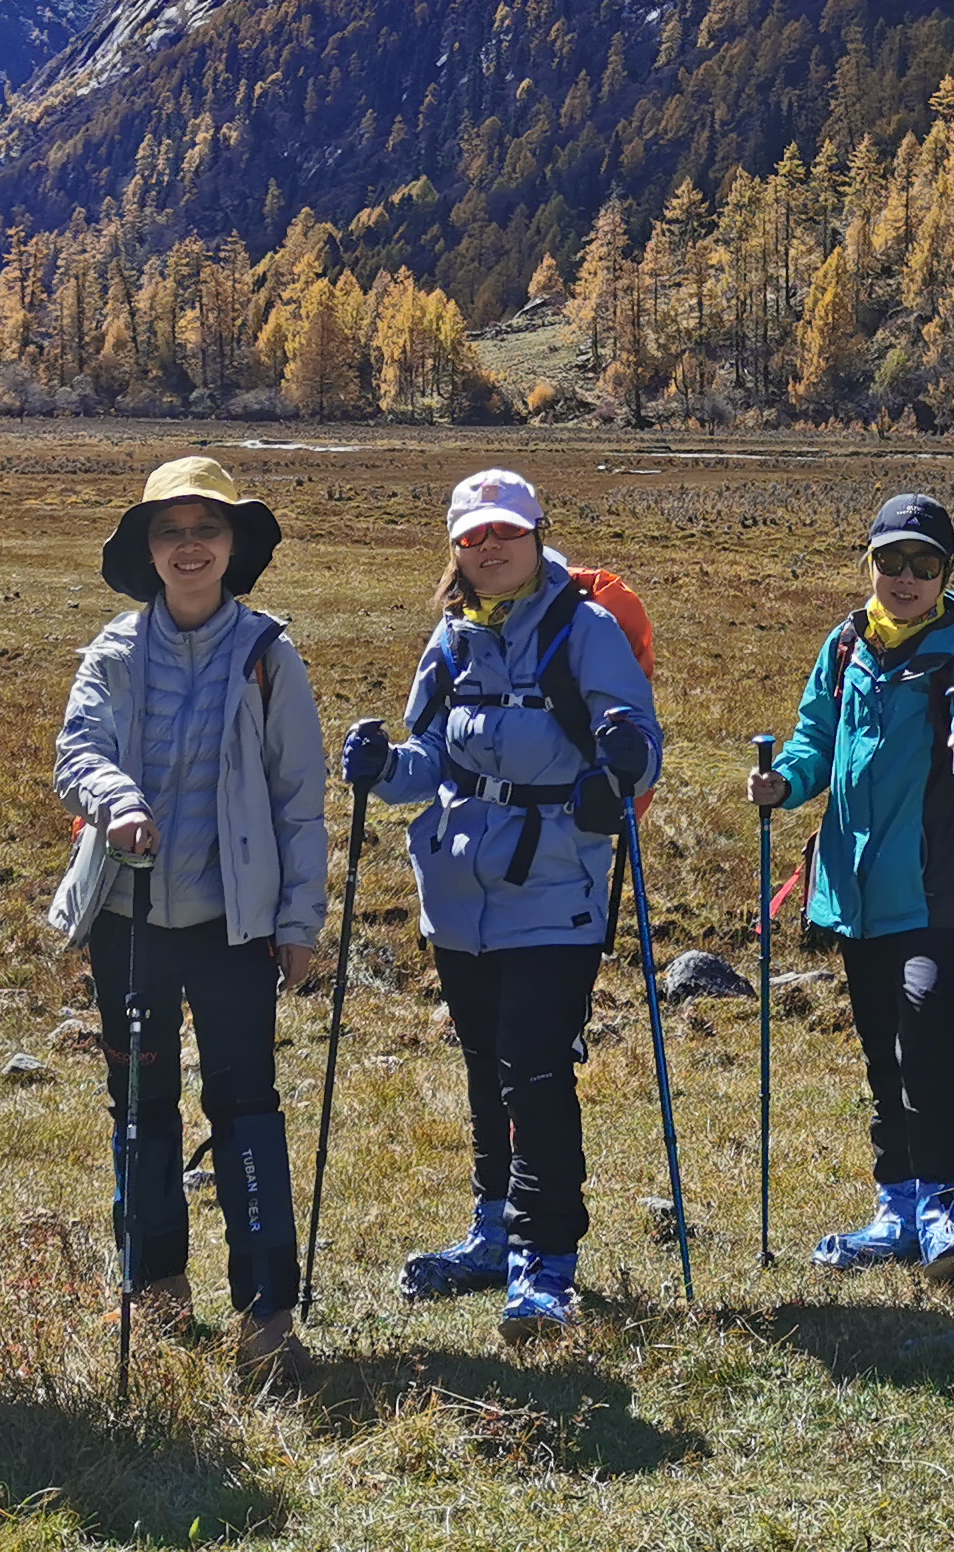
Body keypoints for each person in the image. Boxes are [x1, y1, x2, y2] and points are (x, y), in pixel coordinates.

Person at [341, 469, 664, 1339]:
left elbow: (642, 742)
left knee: (535, 1069)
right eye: (474, 536)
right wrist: (383, 768)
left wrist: (620, 767)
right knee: (486, 1065)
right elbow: (430, 762)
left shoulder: (585, 630)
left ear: (536, 532)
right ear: (455, 547)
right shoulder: (451, 638)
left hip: (555, 883)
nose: (491, 547)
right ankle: (494, 1233)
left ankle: (543, 1262)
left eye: (507, 532)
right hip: (458, 890)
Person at [45, 455, 328, 1374]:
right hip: (126, 918)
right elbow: (76, 752)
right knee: (141, 1108)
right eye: (171, 531)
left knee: (247, 1111)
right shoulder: (114, 652)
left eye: (207, 528)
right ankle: (155, 1288)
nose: (190, 545)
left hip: (236, 928)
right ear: (149, 551)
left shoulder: (270, 657)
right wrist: (115, 799)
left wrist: (299, 920)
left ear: (234, 545)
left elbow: (299, 799)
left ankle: (267, 1314)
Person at [749, 494, 954, 1271]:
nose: (906, 577)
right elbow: (814, 741)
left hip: (931, 881)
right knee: (880, 1048)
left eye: (923, 564)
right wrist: (784, 784)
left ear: (945, 574)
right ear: (869, 564)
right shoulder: (846, 645)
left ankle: (946, 1209)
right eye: (890, 560)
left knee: (924, 1027)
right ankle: (898, 1206)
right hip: (854, 889)